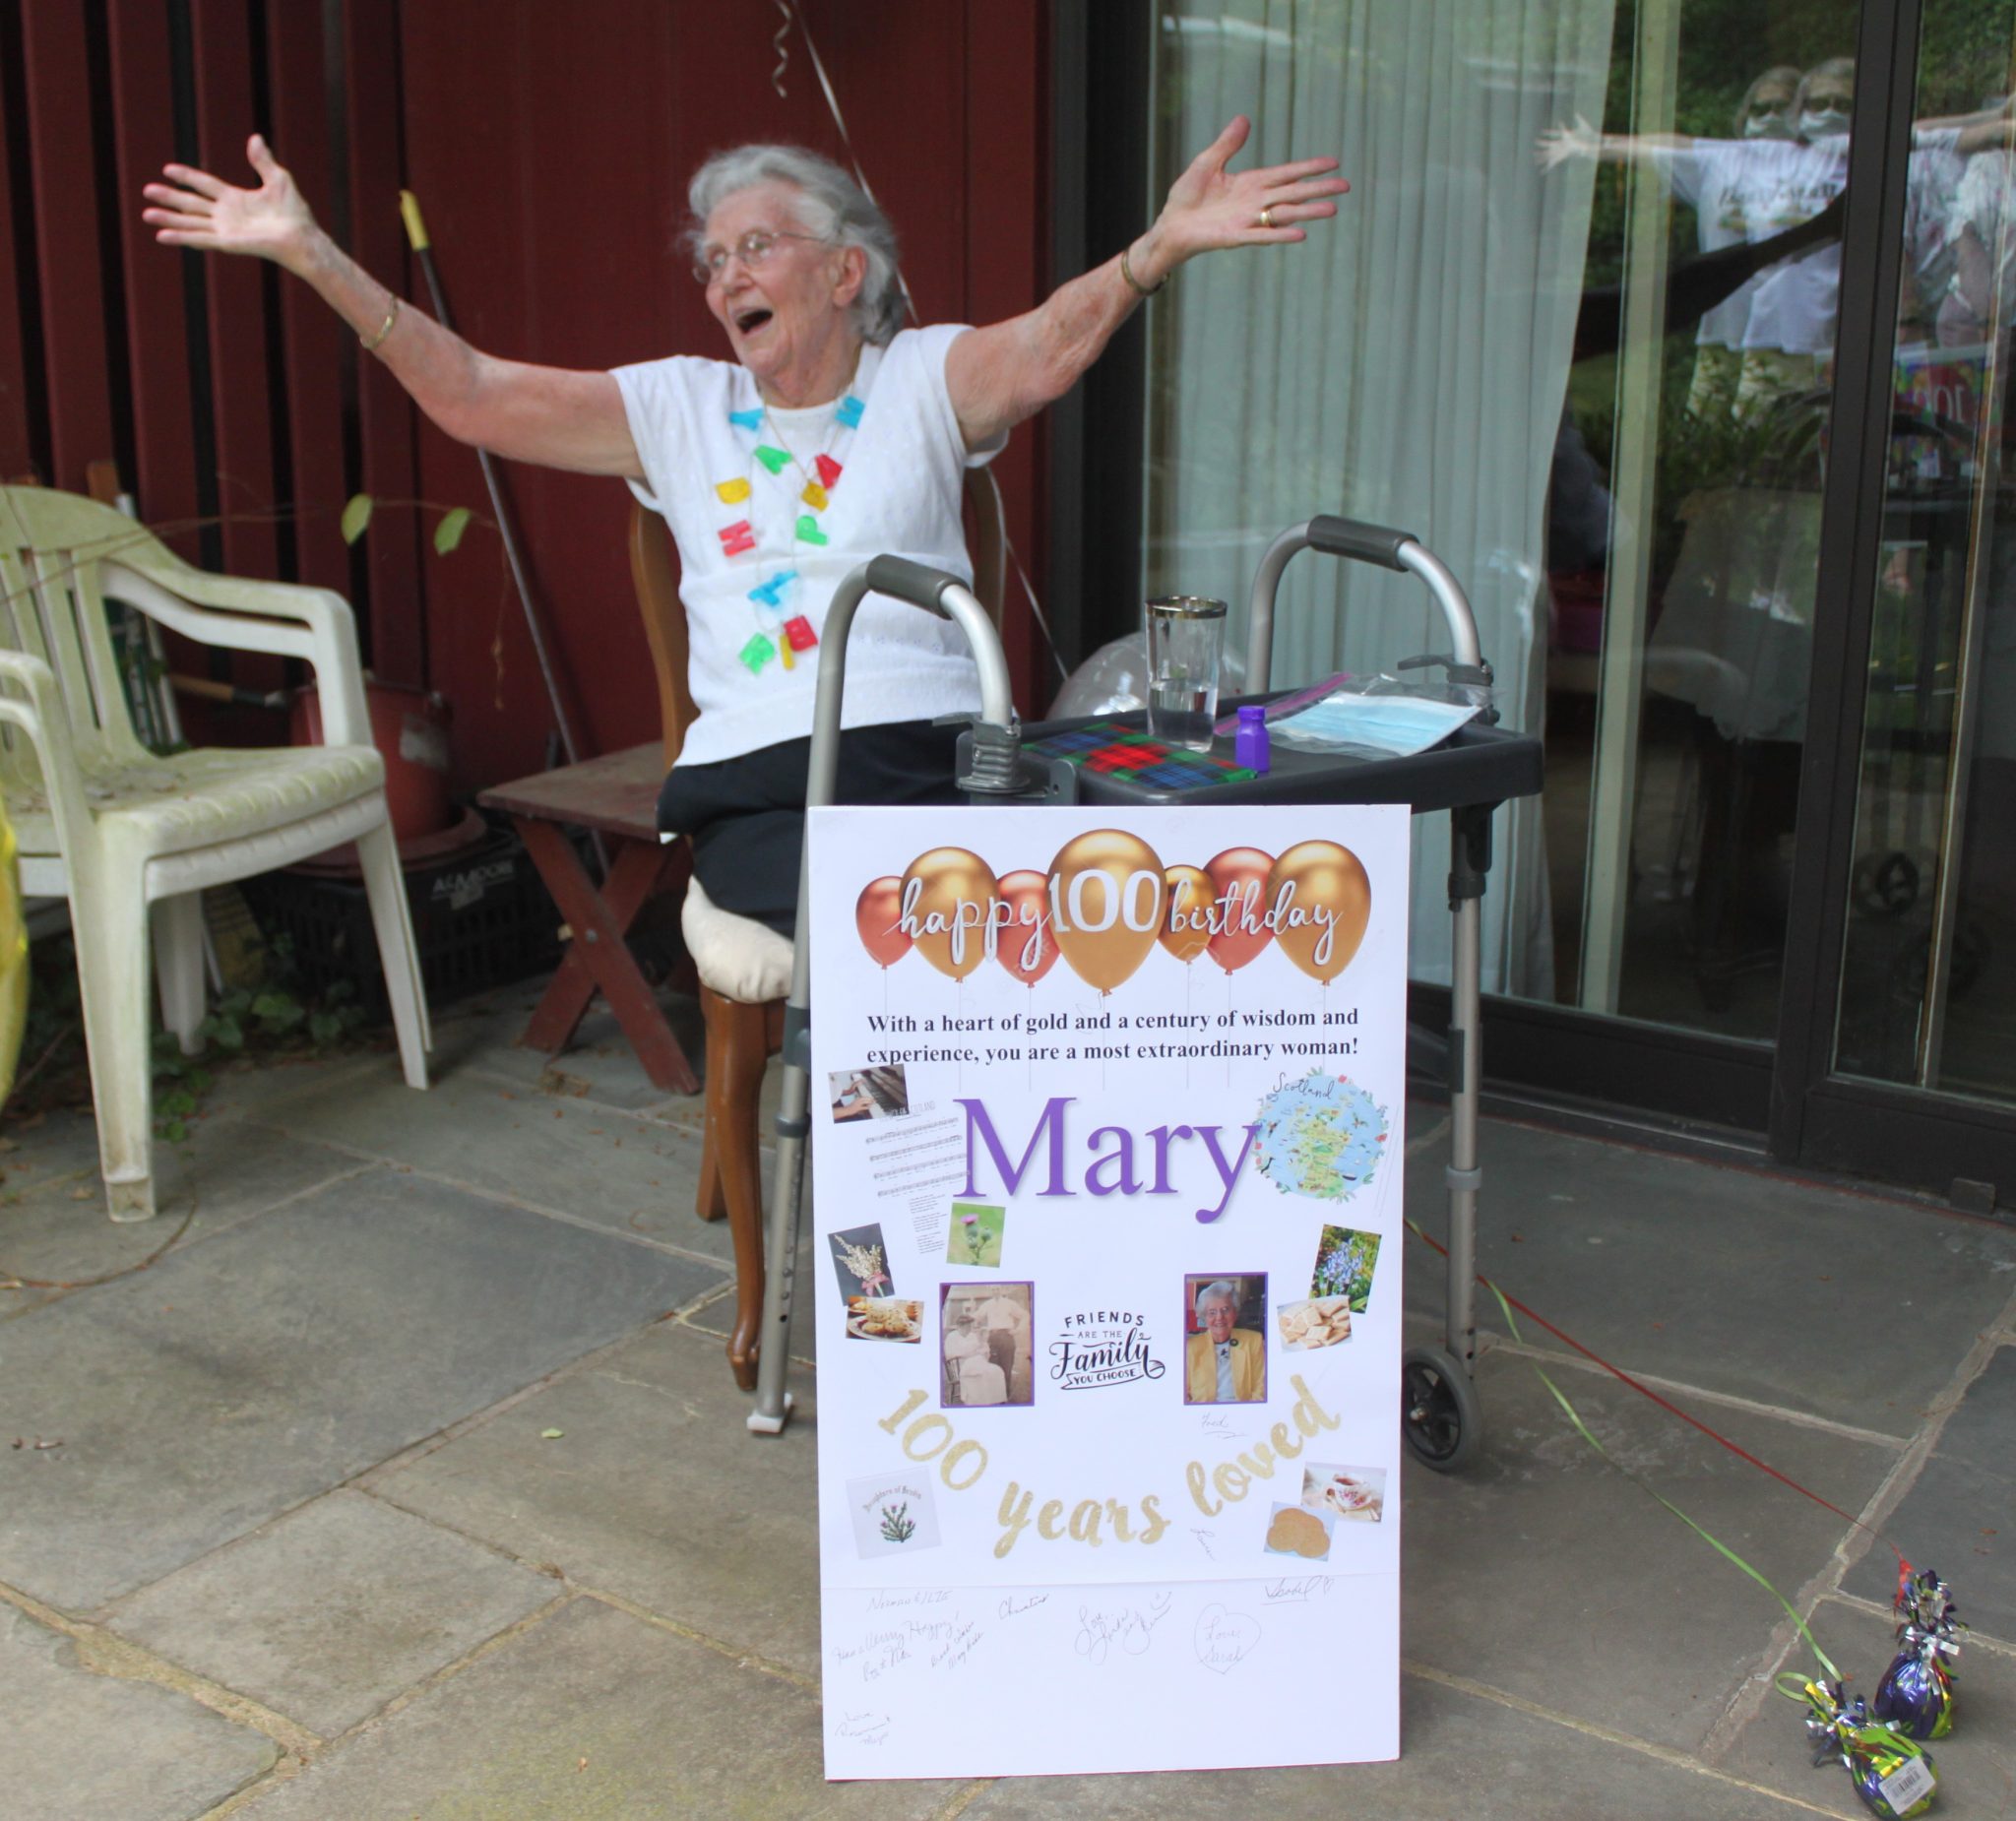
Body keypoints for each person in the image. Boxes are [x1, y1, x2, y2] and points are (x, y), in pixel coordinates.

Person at [143, 124, 1347, 935]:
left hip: (923, 760)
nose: (726, 277)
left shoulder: (923, 375)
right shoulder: (678, 404)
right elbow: (469, 391)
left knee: (1016, 895)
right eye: (714, 260)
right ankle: (890, 1207)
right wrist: (311, 254)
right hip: (758, 778)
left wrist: (1154, 250)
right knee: (901, 916)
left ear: (846, 273)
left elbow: (1045, 347)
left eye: (756, 246)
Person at [1184, 1279, 1265, 1404]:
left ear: (1235, 1313)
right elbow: (1184, 1394)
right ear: (1204, 1317)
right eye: (1212, 1312)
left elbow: (1261, 1388)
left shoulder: (1253, 1341)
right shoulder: (1191, 1347)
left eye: (1225, 1310)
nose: (1219, 1317)